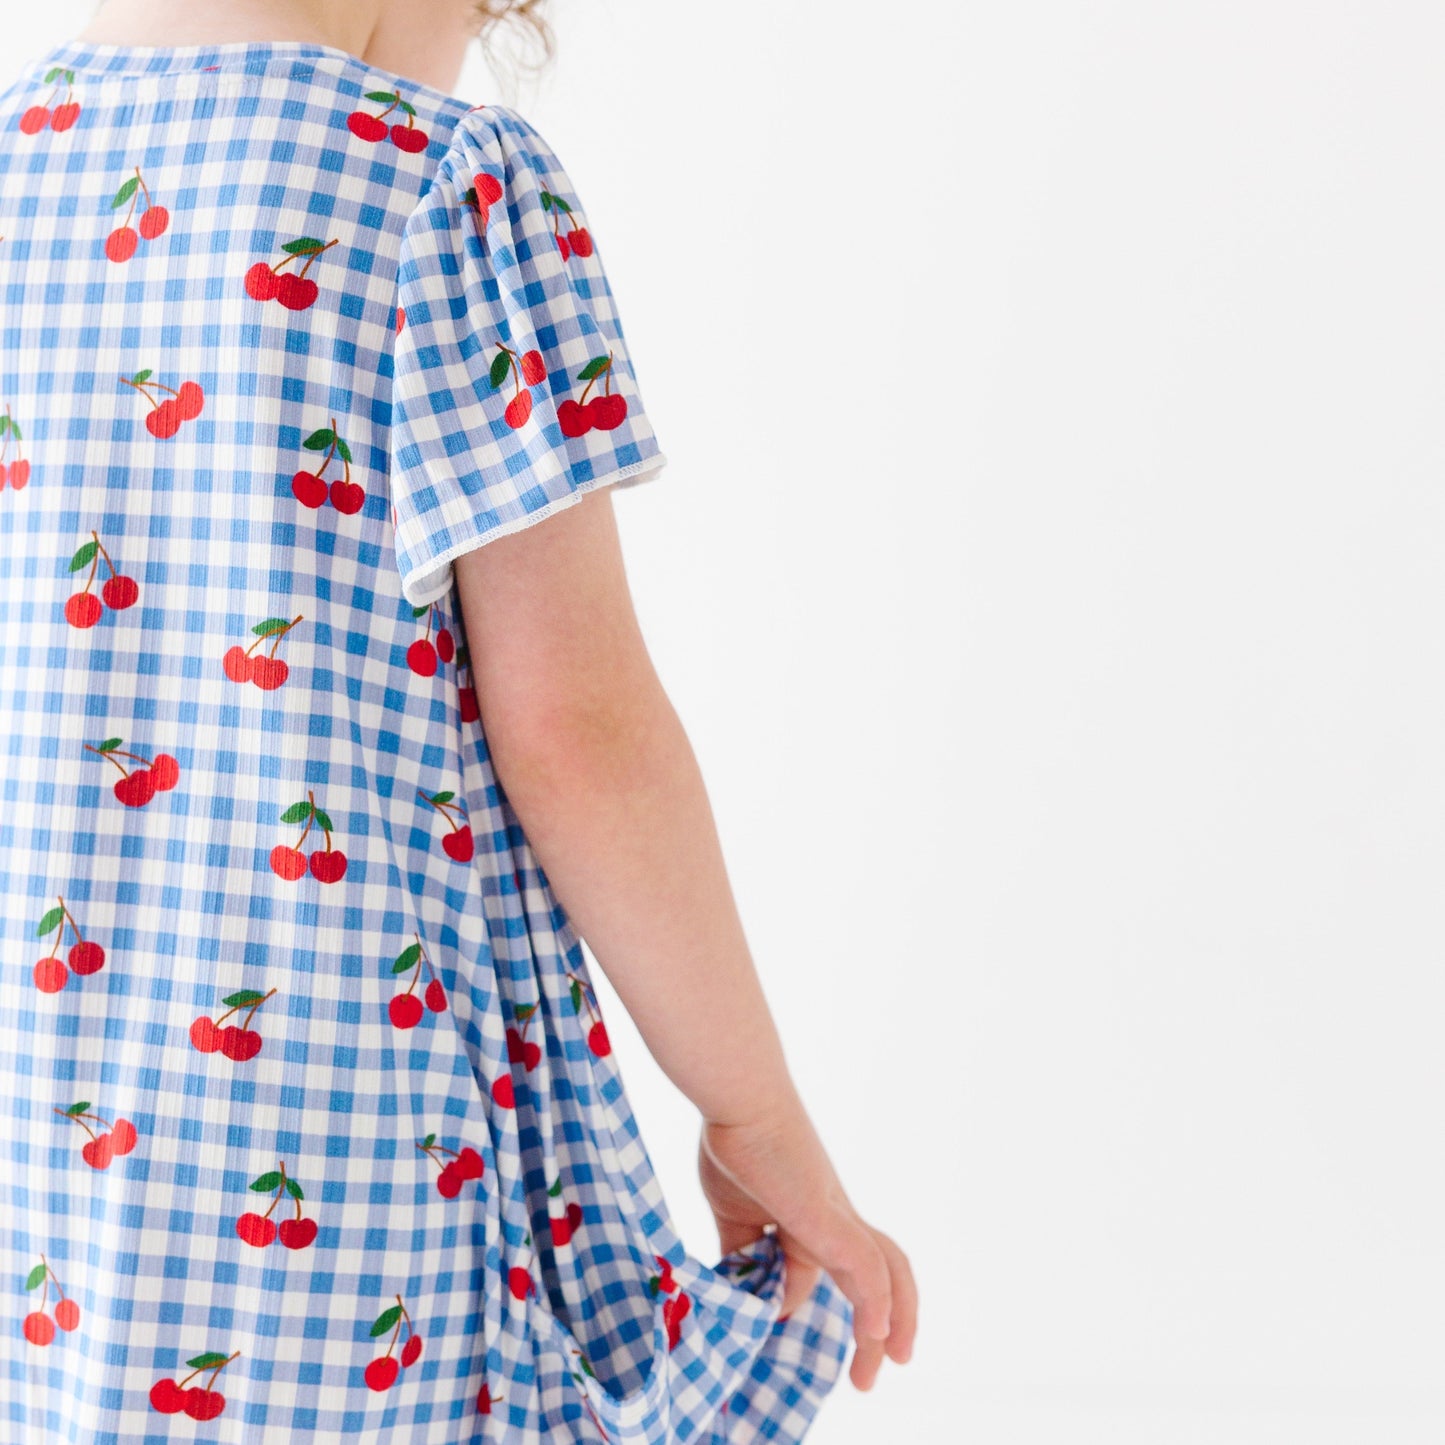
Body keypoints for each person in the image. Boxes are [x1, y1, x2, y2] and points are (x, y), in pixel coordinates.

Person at [0, 0, 917, 1438]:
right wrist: (752, 1107)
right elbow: (579, 729)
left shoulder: (17, 167)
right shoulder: (440, 183)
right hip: (334, 1127)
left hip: (34, 1125)